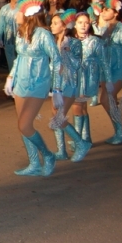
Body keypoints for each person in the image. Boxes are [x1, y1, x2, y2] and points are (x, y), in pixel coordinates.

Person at [3, 0, 61, 177]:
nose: (15, 14)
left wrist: (56, 88)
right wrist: (10, 77)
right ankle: (34, 163)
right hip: (21, 82)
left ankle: (48, 155)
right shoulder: (21, 32)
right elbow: (19, 58)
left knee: (25, 125)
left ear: (29, 14)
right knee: (22, 125)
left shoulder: (43, 34)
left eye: (19, 11)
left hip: (38, 82)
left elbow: (57, 60)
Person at [48, 11, 92, 162]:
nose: (51, 26)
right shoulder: (53, 41)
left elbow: (77, 64)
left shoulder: (73, 43)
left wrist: (67, 54)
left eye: (55, 23)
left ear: (64, 26)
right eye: (52, 23)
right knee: (55, 114)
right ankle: (61, 150)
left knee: (59, 116)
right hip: (56, 84)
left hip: (69, 83)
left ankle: (81, 143)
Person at [94, 0, 122, 145]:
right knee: (110, 101)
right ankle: (120, 130)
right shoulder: (105, 28)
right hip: (106, 70)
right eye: (103, 9)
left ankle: (120, 130)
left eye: (107, 10)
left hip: (118, 69)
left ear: (116, 13)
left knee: (106, 99)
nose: (103, 12)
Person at [70, 11, 108, 144]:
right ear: (75, 24)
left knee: (77, 105)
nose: (83, 25)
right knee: (82, 107)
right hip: (73, 77)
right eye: (80, 22)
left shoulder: (95, 41)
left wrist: (107, 80)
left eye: (86, 23)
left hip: (88, 78)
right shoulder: (70, 40)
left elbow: (104, 61)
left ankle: (78, 141)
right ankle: (86, 138)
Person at [0, 0, 24, 71]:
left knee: (21, 65)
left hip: (21, 41)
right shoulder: (4, 9)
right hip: (8, 42)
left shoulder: (23, 7)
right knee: (11, 66)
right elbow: (0, 24)